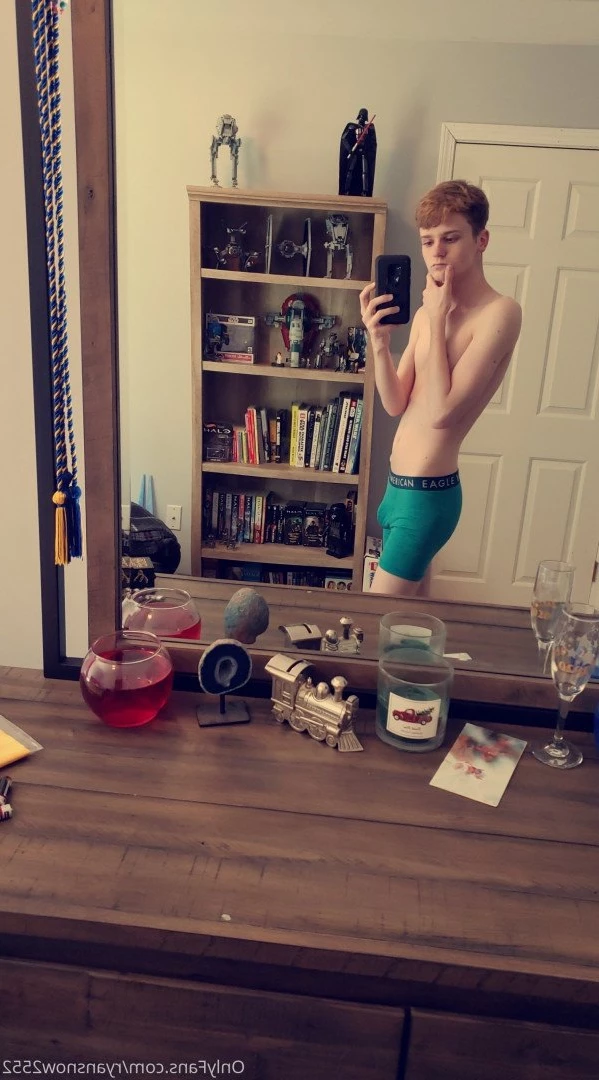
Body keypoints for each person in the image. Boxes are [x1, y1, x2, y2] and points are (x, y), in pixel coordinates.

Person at [360, 180, 522, 597]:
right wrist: (378, 343)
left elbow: (442, 412)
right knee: (409, 623)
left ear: (481, 240)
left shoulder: (499, 313)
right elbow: (395, 402)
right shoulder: (424, 314)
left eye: (450, 238)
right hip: (396, 490)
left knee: (370, 618)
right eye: (428, 241)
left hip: (427, 500)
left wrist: (437, 318)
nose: (437, 252)